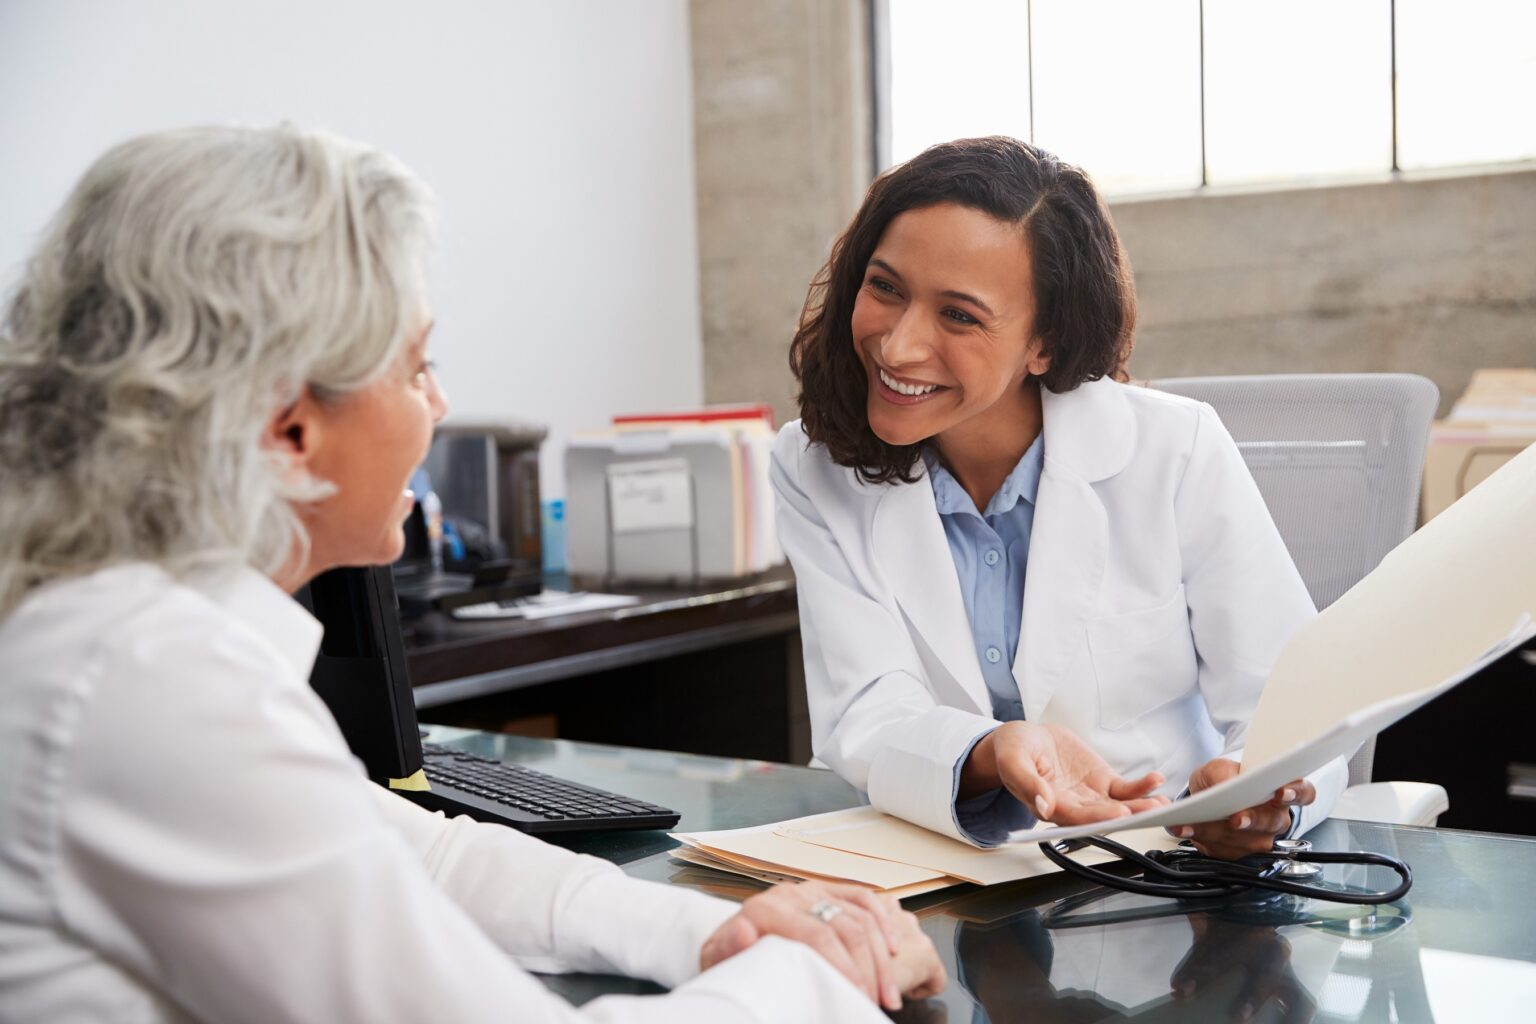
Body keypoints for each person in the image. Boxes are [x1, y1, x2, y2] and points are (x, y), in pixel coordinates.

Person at [0, 125, 944, 1022]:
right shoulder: (151, 684)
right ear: (290, 430)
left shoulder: (120, 630)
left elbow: (423, 854)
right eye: (417, 368)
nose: (440, 404)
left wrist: (717, 931)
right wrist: (813, 975)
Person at [771, 136, 1346, 859]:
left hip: (1159, 862)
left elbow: (1296, 701)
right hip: (943, 871)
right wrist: (992, 751)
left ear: (1044, 342)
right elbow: (865, 709)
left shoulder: (1175, 449)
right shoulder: (811, 464)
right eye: (886, 288)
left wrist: (1259, 798)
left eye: (959, 316)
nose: (898, 346)